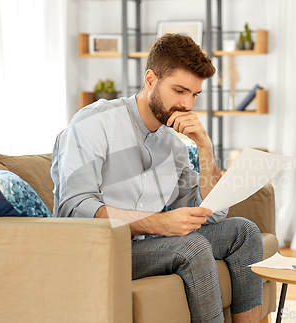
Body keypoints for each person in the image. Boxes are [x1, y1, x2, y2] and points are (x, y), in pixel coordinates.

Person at [51, 33, 263, 323]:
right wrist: (157, 223)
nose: (188, 104)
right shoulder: (94, 123)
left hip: (148, 245)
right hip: (99, 250)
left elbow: (212, 214)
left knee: (244, 232)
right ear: (150, 79)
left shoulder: (173, 143)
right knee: (192, 247)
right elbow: (73, 208)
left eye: (194, 94)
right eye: (179, 90)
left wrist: (205, 147)